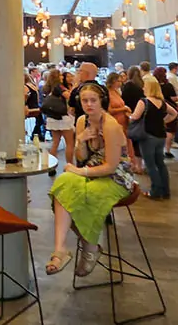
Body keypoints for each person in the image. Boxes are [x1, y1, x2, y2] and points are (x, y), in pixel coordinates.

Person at [46, 84, 135, 276]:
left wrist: (80, 171)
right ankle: (60, 249)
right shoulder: (81, 121)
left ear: (102, 101)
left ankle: (90, 247)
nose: (89, 104)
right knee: (63, 183)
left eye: (93, 100)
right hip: (91, 170)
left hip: (117, 177)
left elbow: (111, 166)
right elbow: (82, 157)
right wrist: (80, 140)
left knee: (84, 193)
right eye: (85, 100)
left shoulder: (110, 125)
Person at [129, 77, 177, 199]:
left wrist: (128, 115)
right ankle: (165, 191)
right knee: (160, 163)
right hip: (161, 135)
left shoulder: (143, 102)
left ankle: (155, 191)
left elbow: (135, 117)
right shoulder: (162, 103)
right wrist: (164, 121)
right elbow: (174, 113)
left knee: (150, 165)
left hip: (147, 136)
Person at [43, 69, 75, 168]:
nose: (62, 77)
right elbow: (69, 96)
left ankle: (52, 166)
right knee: (69, 143)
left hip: (52, 117)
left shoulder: (48, 87)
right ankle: (70, 165)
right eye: (60, 75)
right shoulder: (59, 86)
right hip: (62, 117)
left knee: (55, 143)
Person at [106, 72, 133, 163]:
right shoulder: (107, 93)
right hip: (116, 121)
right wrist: (124, 108)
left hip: (124, 121)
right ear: (112, 81)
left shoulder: (116, 92)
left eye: (121, 81)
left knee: (126, 142)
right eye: (118, 81)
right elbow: (110, 110)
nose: (120, 83)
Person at [122, 66, 145, 172]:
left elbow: (124, 100)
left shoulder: (127, 86)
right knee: (140, 139)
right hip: (140, 113)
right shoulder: (141, 85)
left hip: (130, 114)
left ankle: (136, 165)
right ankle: (140, 164)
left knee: (132, 140)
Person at [153, 67, 178, 159]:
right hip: (169, 108)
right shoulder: (168, 86)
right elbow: (174, 98)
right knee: (170, 130)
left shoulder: (154, 85)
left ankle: (158, 150)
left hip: (157, 109)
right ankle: (167, 150)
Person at [25, 73, 44, 142]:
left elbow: (25, 98)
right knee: (39, 120)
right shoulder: (33, 86)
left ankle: (35, 134)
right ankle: (37, 134)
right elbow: (38, 98)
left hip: (30, 107)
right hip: (36, 106)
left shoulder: (25, 87)